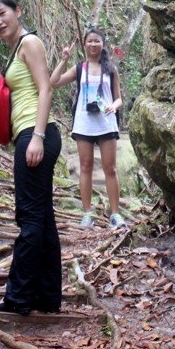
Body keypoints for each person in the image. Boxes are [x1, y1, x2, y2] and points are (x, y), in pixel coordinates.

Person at [0, 0, 62, 314]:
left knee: (29, 217)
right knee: (42, 219)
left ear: (18, 11)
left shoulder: (29, 43)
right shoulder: (17, 48)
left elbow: (45, 88)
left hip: (35, 133)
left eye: (2, 13)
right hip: (30, 134)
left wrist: (38, 137)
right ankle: (46, 296)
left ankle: (17, 298)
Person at [50, 27, 126, 229]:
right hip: (84, 124)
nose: (93, 44)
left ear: (103, 45)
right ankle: (86, 214)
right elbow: (54, 82)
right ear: (84, 45)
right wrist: (64, 59)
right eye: (90, 41)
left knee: (110, 169)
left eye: (97, 41)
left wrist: (113, 106)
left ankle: (116, 214)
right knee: (85, 168)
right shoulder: (79, 68)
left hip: (106, 122)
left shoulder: (111, 69)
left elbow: (119, 99)